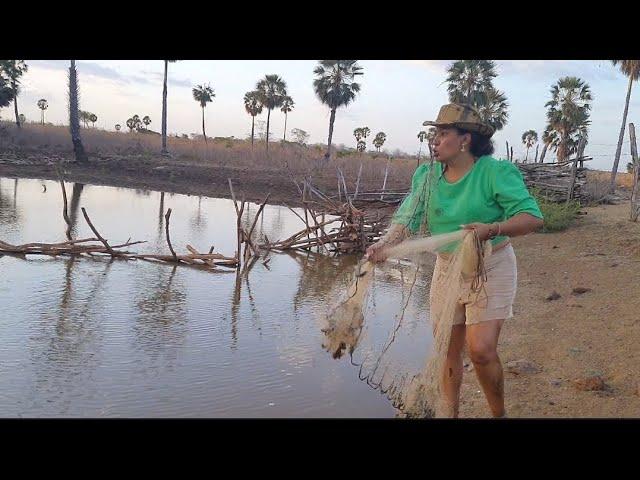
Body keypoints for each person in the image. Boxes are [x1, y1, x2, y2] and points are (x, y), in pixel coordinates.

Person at [365, 103, 544, 418]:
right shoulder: (428, 175)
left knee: (481, 350)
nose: (435, 140)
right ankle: (450, 414)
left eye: (444, 133)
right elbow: (408, 217)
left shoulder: (494, 172)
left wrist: (493, 229)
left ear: (465, 140)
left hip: (490, 265)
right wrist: (384, 246)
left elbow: (532, 217)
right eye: (435, 133)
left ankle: (498, 414)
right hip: (447, 268)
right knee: (447, 349)